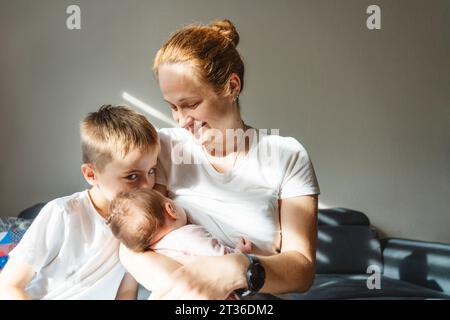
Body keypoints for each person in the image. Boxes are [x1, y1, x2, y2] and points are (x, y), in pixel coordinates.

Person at [119, 19, 321, 300]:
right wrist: (199, 290)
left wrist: (238, 268)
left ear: (232, 86)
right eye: (173, 107)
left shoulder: (286, 155)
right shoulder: (165, 147)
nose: (181, 120)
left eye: (191, 104)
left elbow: (302, 270)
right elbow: (132, 244)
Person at [0, 105, 159, 300]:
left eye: (151, 171)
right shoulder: (62, 213)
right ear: (92, 174)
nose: (146, 185)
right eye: (132, 176)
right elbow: (8, 286)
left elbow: (126, 292)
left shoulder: (140, 224)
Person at [108, 188, 253, 264]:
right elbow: (221, 258)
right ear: (171, 209)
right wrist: (240, 252)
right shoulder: (189, 235)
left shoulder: (156, 248)